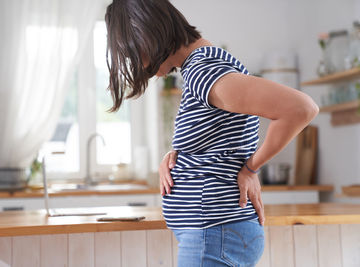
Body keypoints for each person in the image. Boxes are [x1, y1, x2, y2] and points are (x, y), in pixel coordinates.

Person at [105, 0, 319, 266]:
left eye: (131, 52)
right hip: (214, 235)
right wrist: (176, 157)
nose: (135, 63)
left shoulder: (203, 69)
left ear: (145, 33)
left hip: (214, 235)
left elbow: (301, 109)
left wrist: (252, 168)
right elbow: (220, 138)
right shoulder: (202, 67)